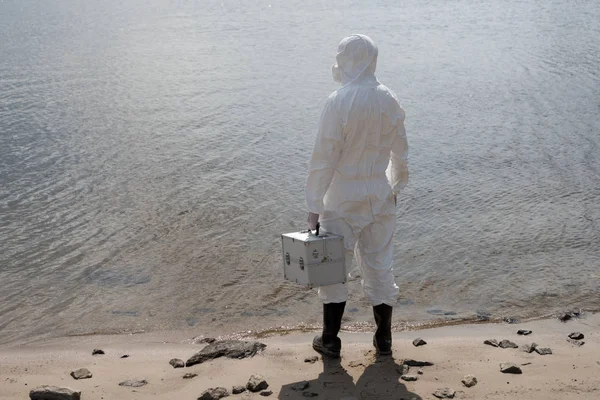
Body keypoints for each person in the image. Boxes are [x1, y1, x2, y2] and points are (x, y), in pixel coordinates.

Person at [305, 34, 409, 358]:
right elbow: (401, 155)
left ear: (346, 61)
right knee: (380, 267)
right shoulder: (389, 98)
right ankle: (384, 340)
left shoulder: (338, 101)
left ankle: (331, 341)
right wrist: (395, 187)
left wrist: (312, 205)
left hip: (341, 198)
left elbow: (324, 159)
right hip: (379, 193)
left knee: (333, 269)